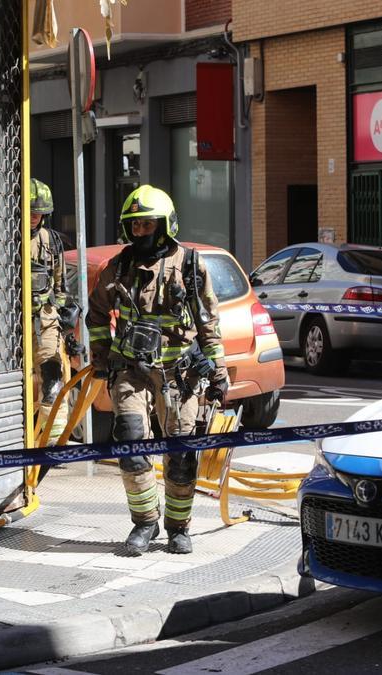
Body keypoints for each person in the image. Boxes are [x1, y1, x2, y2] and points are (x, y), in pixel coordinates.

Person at [86, 185, 228, 556]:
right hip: (131, 371)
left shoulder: (190, 266)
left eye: (147, 225)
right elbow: (97, 314)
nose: (140, 233)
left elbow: (209, 323)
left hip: (179, 375)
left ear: (166, 226)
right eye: (134, 227)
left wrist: (219, 373)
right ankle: (144, 522)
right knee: (132, 444)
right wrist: (102, 358)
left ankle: (178, 528)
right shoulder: (117, 267)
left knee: (181, 455)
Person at [29, 178, 81, 446]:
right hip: (11, 326)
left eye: (39, 214)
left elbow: (59, 285)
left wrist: (64, 319)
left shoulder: (51, 242)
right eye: (30, 212)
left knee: (52, 376)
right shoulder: (2, 240)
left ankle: (51, 439)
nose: (34, 218)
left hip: (46, 321)